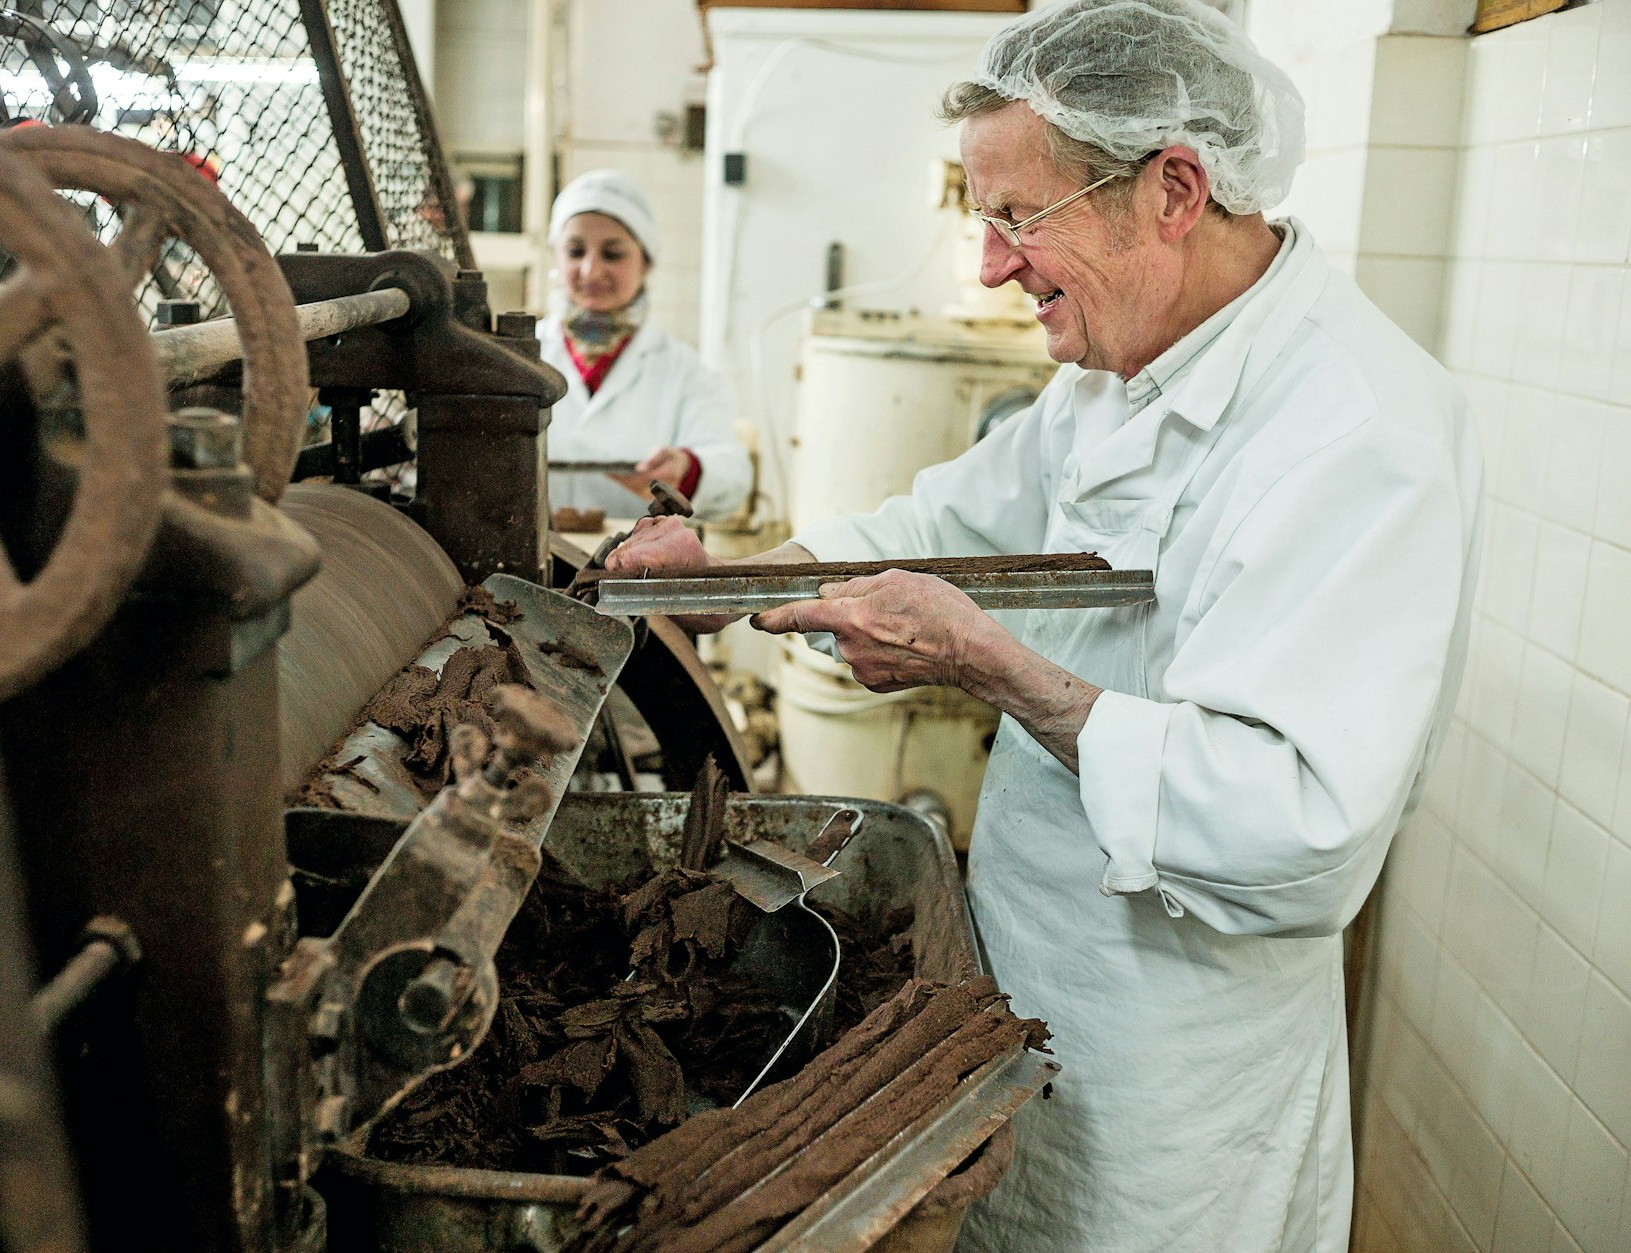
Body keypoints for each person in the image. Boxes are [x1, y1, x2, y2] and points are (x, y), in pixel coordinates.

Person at [605, 1, 1481, 1249]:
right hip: (1014, 993)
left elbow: (1297, 828)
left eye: (1018, 219)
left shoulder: (1356, 433)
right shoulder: (1121, 375)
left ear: (1172, 188)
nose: (989, 267)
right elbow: (941, 523)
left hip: (1170, 1076)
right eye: (984, 221)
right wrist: (726, 579)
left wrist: (990, 666)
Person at [539, 169, 750, 521]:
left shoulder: (684, 371)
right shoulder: (518, 356)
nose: (590, 271)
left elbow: (734, 475)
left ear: (646, 261)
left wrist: (687, 469)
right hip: (526, 560)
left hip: (638, 567)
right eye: (575, 251)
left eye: (613, 254)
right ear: (556, 257)